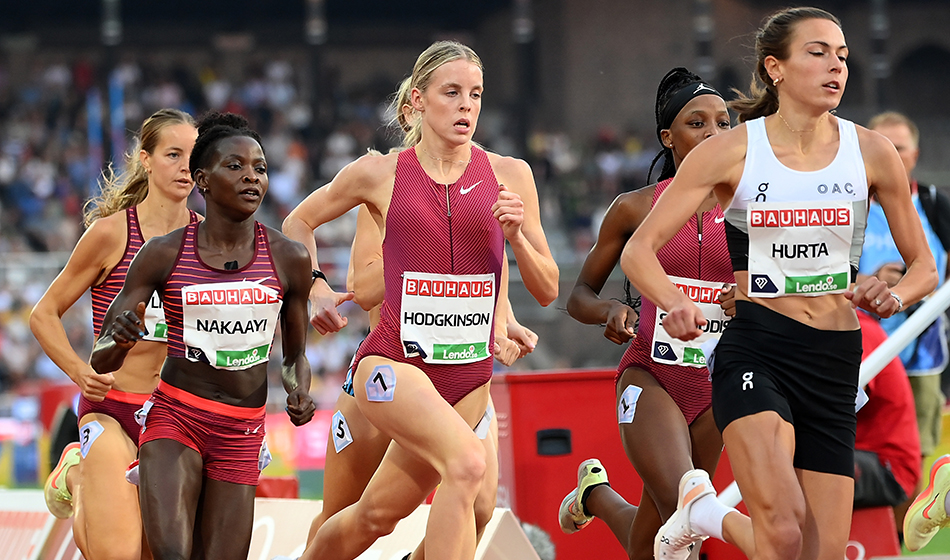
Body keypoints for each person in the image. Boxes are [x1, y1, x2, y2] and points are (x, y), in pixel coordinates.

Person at [621, 7, 937, 560]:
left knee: (818, 552)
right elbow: (638, 251)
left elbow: (925, 269)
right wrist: (673, 301)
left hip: (835, 358)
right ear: (776, 68)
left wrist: (894, 296)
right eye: (818, 52)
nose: (836, 66)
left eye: (842, 55)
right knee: (783, 531)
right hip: (759, 349)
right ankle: (706, 512)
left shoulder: (872, 152)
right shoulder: (733, 151)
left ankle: (703, 512)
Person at [282, 40, 558, 560]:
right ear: (416, 102)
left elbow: (547, 289)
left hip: (467, 378)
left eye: (476, 94)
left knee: (381, 516)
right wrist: (315, 285)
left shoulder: (510, 175)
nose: (466, 106)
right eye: (452, 93)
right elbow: (300, 222)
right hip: (394, 367)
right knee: (461, 468)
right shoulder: (381, 174)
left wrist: (516, 241)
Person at [90, 112, 316, 560]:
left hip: (241, 430)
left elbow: (294, 357)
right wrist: (120, 338)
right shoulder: (162, 254)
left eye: (260, 168)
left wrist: (299, 390)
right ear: (203, 181)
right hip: (176, 418)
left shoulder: (289, 258)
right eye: (235, 166)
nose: (251, 176)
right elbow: (101, 359)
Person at [557, 67, 753, 560]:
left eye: (723, 123)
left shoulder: (750, 208)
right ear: (668, 137)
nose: (714, 133)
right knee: (686, 514)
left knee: (655, 541)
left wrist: (749, 296)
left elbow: (777, 288)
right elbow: (579, 294)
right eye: (697, 123)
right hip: (652, 375)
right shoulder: (635, 208)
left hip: (717, 382)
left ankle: (596, 497)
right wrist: (609, 310)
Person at [304, 203, 538, 560]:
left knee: (479, 508)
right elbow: (361, 288)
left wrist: (506, 324)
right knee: (348, 514)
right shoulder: (386, 186)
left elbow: (499, 279)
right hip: (391, 374)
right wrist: (423, 242)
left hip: (463, 378)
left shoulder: (488, 188)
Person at [30, 108, 198, 560]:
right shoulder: (111, 234)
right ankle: (79, 471)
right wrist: (79, 372)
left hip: (178, 417)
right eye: (173, 154)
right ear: (146, 159)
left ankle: (78, 478)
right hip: (113, 409)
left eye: (194, 156)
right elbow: (44, 314)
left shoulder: (211, 241)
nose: (186, 167)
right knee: (118, 554)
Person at [859, 112, 950, 486]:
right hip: (861, 344)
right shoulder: (847, 204)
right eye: (882, 146)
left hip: (922, 346)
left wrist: (919, 289)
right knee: (858, 441)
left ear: (915, 155)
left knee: (918, 450)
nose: (890, 155)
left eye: (899, 147)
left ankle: (915, 514)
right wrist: (873, 281)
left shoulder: (934, 204)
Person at [852, 311, 920, 519]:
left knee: (786, 464)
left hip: (887, 466)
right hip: (860, 454)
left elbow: (843, 399)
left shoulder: (853, 327)